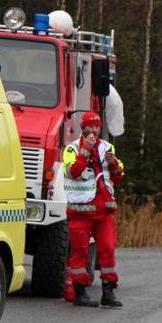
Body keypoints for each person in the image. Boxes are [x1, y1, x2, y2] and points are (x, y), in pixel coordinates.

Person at [63, 112, 125, 307]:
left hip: (104, 210)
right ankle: (79, 292)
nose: (94, 131)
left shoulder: (108, 148)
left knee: (107, 249)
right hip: (80, 211)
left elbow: (118, 176)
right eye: (90, 127)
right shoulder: (71, 149)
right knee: (79, 251)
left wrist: (114, 164)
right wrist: (86, 152)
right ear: (83, 129)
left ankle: (108, 292)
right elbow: (72, 172)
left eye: (97, 127)